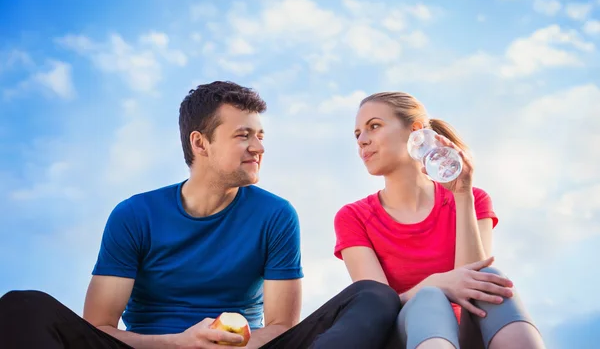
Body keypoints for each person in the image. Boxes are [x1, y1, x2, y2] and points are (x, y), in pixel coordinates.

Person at [0, 81, 401, 349]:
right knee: (23, 306)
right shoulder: (135, 214)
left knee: (373, 296)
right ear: (201, 143)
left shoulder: (276, 215)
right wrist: (180, 343)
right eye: (243, 135)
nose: (258, 147)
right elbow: (99, 329)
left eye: (260, 135)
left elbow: (281, 327)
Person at [334, 91, 546, 349]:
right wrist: (435, 284)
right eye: (358, 134)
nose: (362, 141)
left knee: (489, 279)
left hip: (468, 336)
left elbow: (474, 284)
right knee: (429, 298)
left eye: (374, 127)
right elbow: (376, 308)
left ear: (416, 130)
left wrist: (462, 195)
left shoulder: (474, 199)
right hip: (401, 338)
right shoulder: (353, 217)